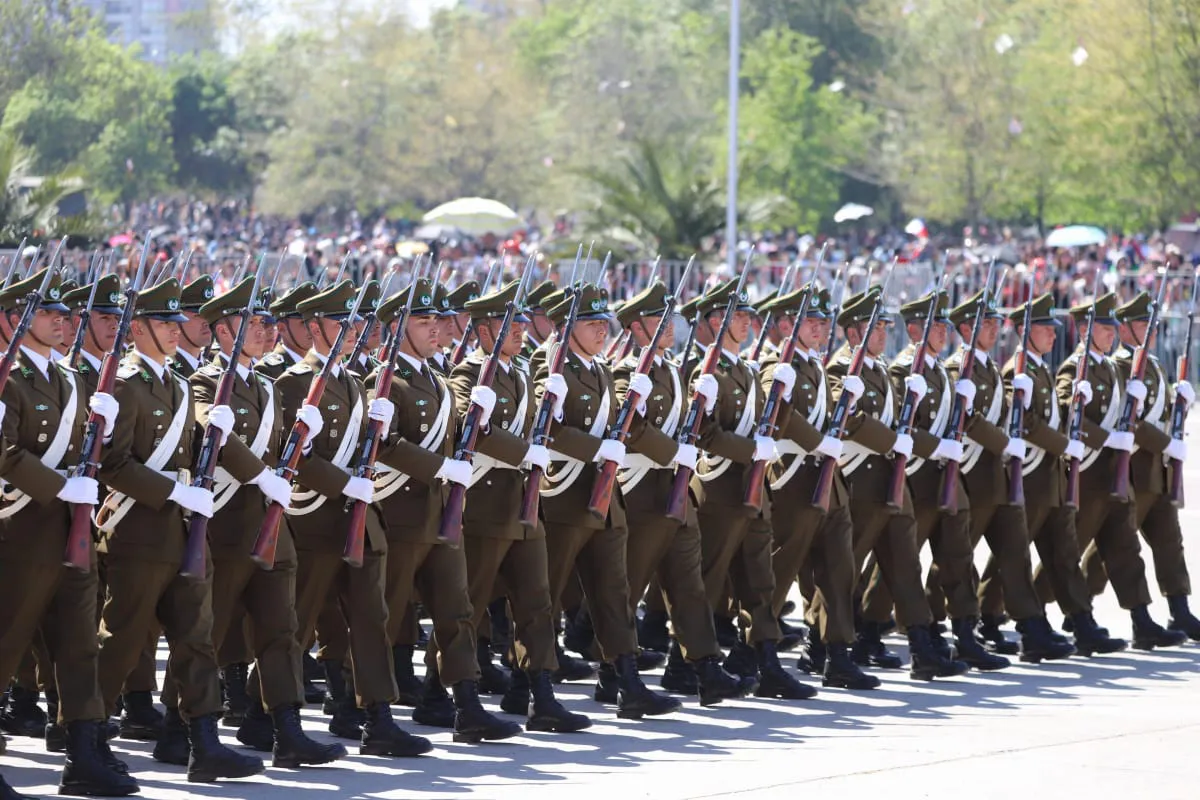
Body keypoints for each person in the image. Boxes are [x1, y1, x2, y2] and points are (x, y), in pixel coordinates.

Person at [153, 276, 347, 769]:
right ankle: (182, 731)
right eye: (252, 322)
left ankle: (287, 731)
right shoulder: (202, 380)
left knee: (281, 629)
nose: (264, 330)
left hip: (270, 527)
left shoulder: (264, 383)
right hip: (226, 526)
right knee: (206, 634)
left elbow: (277, 450)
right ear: (222, 332)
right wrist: (262, 477)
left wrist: (299, 443)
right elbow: (212, 434)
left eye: (265, 322)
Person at [95, 276, 265, 782]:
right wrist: (173, 492)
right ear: (138, 328)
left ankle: (203, 743)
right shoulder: (124, 384)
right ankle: (86, 737)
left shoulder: (173, 382)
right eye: (164, 324)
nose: (175, 332)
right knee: (122, 639)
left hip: (182, 532)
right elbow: (113, 464)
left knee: (197, 638)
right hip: (137, 530)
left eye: (176, 323)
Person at [268, 279, 433, 758]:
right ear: (314, 326)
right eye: (343, 322)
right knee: (292, 627)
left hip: (360, 519)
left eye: (357, 322)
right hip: (316, 520)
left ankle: (378, 718)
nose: (354, 330)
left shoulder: (354, 382)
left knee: (370, 619)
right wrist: (344, 485)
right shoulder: (294, 383)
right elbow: (291, 456)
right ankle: (277, 720)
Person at [365, 278, 521, 744]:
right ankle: (375, 717)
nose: (436, 329)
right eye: (423, 321)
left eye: (437, 321)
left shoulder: (436, 375)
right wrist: (441, 466)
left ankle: (466, 706)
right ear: (396, 328)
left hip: (440, 514)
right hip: (399, 512)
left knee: (457, 611)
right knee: (384, 617)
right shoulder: (385, 380)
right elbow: (384, 445)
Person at [0, 269, 137, 797]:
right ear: (14, 318)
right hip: (21, 534)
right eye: (49, 314)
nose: (63, 322)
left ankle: (83, 755)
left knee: (79, 646)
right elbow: (6, 453)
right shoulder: (8, 378)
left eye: (64, 314)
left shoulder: (71, 377)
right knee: (7, 641)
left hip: (70, 533)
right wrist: (60, 487)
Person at [448, 280, 593, 732]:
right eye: (510, 324)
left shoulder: (521, 374)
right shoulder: (468, 376)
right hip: (485, 506)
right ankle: (458, 698)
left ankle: (540, 695)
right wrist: (518, 449)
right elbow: (468, 432)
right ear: (485, 330)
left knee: (537, 602)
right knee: (465, 606)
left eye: (522, 322)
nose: (521, 331)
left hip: (525, 507)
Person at [534, 283, 680, 719]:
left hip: (603, 496)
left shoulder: (599, 369)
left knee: (614, 593)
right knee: (544, 596)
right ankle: (535, 688)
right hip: (563, 496)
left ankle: (626, 680)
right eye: (592, 324)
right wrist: (595, 449)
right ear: (566, 328)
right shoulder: (550, 366)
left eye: (604, 323)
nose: (602, 331)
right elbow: (550, 430)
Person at [608, 280, 756, 703]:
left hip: (677, 491)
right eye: (658, 319)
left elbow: (695, 426)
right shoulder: (626, 372)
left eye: (668, 318)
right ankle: (614, 671)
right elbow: (630, 426)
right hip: (640, 492)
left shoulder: (673, 369)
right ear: (637, 329)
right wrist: (675, 452)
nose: (668, 326)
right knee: (627, 587)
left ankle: (705, 667)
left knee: (690, 585)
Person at [824, 287, 968, 681]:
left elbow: (900, 426)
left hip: (891, 481)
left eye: (886, 326)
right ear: (853, 333)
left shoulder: (878, 368)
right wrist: (893, 441)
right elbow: (848, 420)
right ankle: (830, 650)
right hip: (859, 482)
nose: (884, 333)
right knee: (842, 570)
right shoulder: (841, 368)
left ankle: (923, 648)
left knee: (905, 566)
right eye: (876, 327)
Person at [688, 280, 816, 699]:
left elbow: (767, 423)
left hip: (754, 493)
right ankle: (688, 663)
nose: (747, 322)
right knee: (706, 583)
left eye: (747, 316)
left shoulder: (744, 369)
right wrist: (749, 449)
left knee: (759, 583)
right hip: (722, 491)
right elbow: (703, 434)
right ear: (715, 321)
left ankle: (766, 660)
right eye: (738, 316)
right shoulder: (706, 373)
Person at [757, 286, 879, 690]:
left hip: (828, 482)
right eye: (813, 322)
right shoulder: (779, 366)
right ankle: (759, 653)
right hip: (793, 480)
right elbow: (775, 415)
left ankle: (835, 652)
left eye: (825, 322)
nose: (822, 329)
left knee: (838, 569)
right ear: (787, 325)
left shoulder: (815, 365)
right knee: (779, 571)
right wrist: (817, 441)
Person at [1049, 293, 1182, 650]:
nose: (1110, 334)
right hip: (1089, 474)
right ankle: (1002, 609)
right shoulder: (1073, 367)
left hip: (1113, 474)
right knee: (1063, 551)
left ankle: (1141, 620)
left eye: (1111, 327)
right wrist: (1099, 426)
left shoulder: (1109, 366)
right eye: (1105, 327)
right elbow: (1066, 411)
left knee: (1125, 549)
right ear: (1084, 328)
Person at [1087, 292, 1198, 641]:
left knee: (1170, 541)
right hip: (1131, 469)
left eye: (1152, 325)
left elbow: (1160, 412)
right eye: (1142, 325)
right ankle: (1081, 607)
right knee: (1116, 547)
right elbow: (1129, 420)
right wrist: (1167, 443)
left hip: (1157, 472)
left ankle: (1179, 610)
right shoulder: (1122, 366)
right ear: (1125, 331)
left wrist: (1180, 400)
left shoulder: (1152, 364)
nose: (1151, 332)